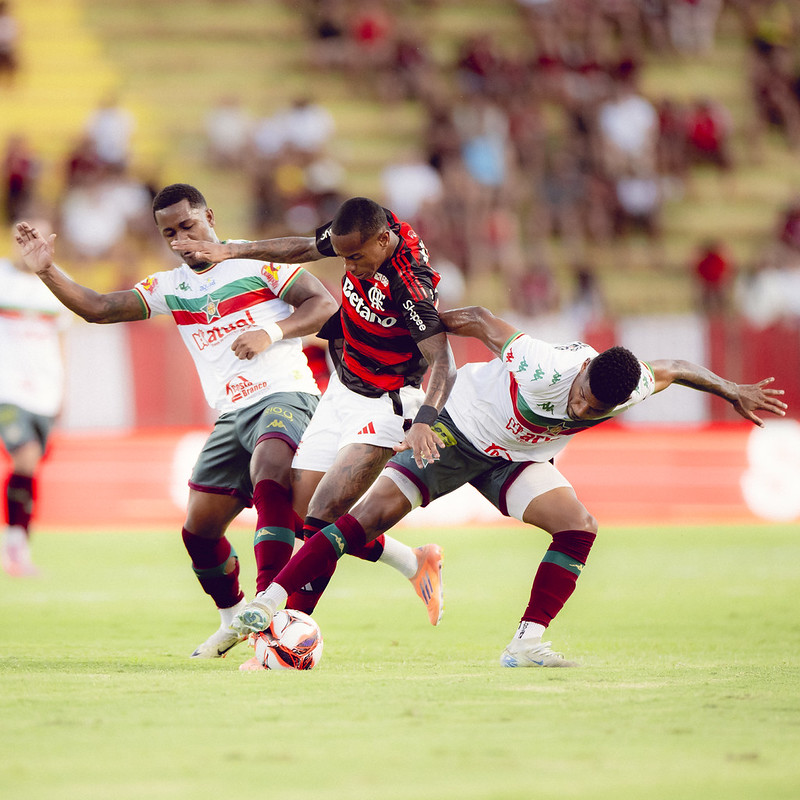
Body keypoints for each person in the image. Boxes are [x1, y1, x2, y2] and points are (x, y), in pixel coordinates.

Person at [13, 185, 441, 658]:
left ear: (210, 216)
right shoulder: (168, 287)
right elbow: (97, 308)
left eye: (188, 226)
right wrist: (48, 270)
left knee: (272, 468)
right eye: (169, 233)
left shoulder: (255, 266)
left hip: (285, 394)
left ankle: (267, 619)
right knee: (202, 531)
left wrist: (271, 331)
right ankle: (238, 615)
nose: (180, 239)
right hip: (231, 413)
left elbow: (322, 304)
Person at [234, 305, 787, 669]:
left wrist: (730, 387)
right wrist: (414, 332)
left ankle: (526, 643)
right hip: (461, 428)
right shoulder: (543, 363)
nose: (581, 408)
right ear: (580, 374)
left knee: (579, 527)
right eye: (581, 397)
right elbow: (476, 318)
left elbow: (679, 365)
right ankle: (269, 602)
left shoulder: (632, 383)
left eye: (594, 410)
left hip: (516, 457)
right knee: (366, 517)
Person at [171, 196, 457, 641]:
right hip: (341, 389)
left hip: (388, 401)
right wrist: (233, 250)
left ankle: (274, 627)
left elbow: (445, 363)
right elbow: (305, 247)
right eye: (343, 257)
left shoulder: (411, 286)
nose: (350, 266)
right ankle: (413, 561)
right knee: (306, 516)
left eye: (357, 258)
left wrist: (424, 419)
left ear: (384, 241)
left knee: (323, 518)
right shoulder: (363, 230)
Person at [1, 218, 68, 576]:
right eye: (22, 237)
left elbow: (62, 340)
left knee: (31, 468)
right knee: (24, 458)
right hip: (7, 390)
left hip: (46, 391)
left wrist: (63, 390)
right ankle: (14, 546)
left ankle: (19, 542)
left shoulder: (55, 283)